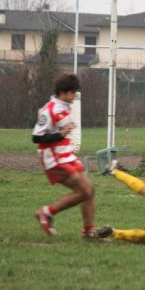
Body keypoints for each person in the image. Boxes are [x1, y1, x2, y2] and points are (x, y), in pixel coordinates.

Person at [32, 73, 102, 240]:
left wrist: (64, 135)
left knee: (90, 190)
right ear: (64, 92)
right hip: (54, 160)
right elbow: (36, 137)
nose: (75, 96)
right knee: (84, 191)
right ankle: (46, 213)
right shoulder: (49, 110)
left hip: (67, 156)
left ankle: (89, 231)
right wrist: (61, 134)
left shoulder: (64, 106)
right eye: (73, 93)